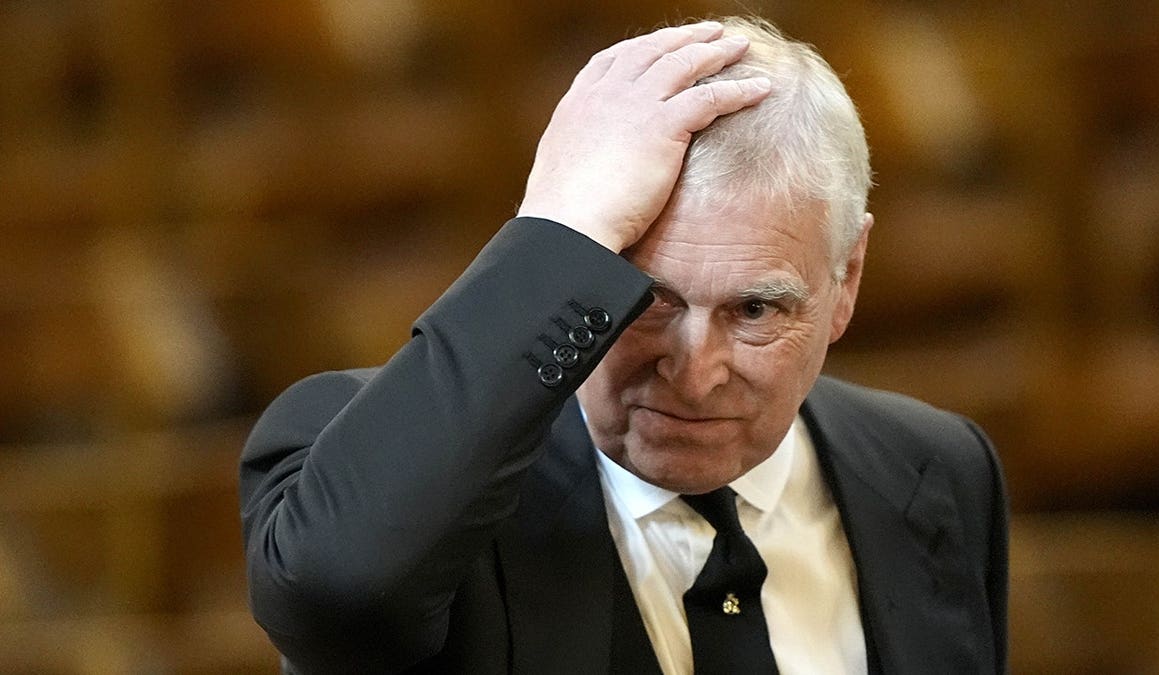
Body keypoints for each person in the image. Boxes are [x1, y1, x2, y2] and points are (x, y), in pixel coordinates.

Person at [239, 16, 1007, 675]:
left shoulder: (935, 468)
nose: (695, 374)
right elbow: (334, 596)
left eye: (754, 308)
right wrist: (559, 227)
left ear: (847, 281)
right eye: (646, 301)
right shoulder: (394, 474)